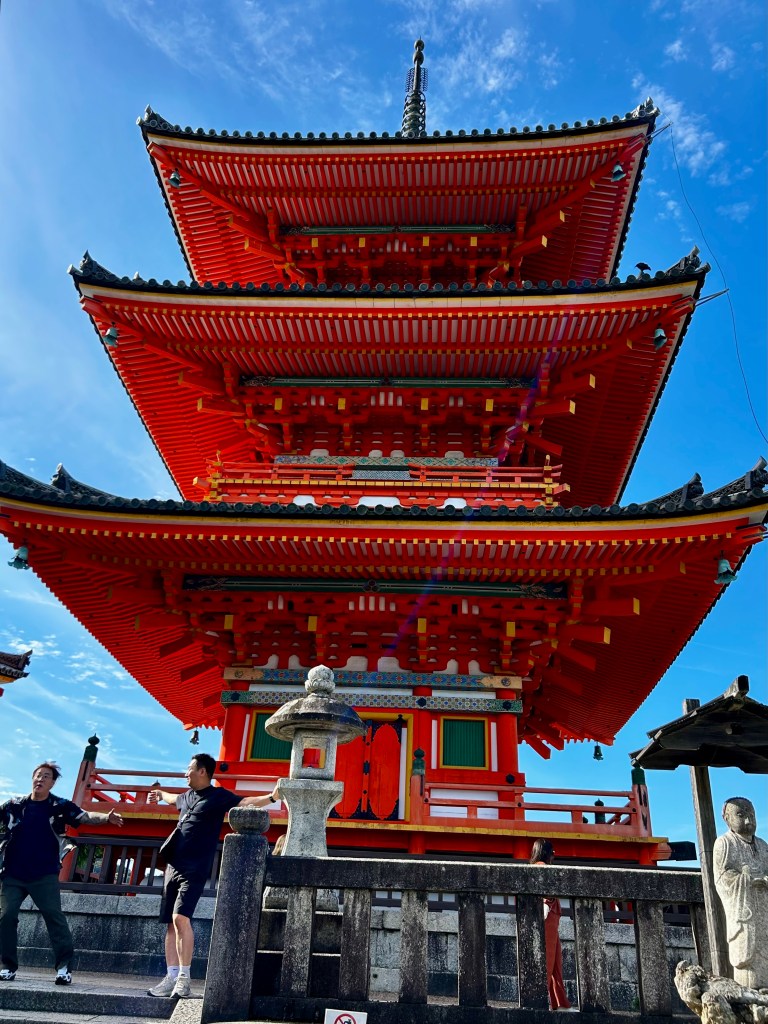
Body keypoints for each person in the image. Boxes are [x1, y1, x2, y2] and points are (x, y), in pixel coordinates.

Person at [146, 753, 278, 1000]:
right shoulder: (185, 797)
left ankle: (184, 979)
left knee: (180, 918)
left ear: (203, 771)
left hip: (195, 867)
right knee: (170, 924)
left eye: (189, 769)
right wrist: (158, 793)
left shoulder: (218, 796)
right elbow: (171, 797)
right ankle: (171, 977)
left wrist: (272, 797)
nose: (186, 773)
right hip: (172, 865)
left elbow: (245, 801)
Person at [0, 761, 124, 986]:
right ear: (32, 778)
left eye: (46, 776)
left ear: (53, 782)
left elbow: (84, 816)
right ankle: (8, 966)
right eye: (38, 775)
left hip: (44, 873)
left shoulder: (59, 805)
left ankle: (64, 967)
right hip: (13, 873)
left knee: (54, 918)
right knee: (5, 917)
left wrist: (106, 817)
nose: (40, 779)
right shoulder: (14, 805)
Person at [713, 796, 768, 990]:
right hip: (745, 912)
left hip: (764, 907)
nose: (748, 820)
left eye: (751, 815)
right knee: (749, 965)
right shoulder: (724, 844)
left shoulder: (763, 846)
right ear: (727, 819)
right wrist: (746, 880)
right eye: (741, 815)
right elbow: (722, 878)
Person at [529, 838, 572, 1011]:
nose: (554, 855)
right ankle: (543, 1002)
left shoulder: (535, 867)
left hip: (549, 917)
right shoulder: (542, 867)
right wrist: (547, 902)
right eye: (552, 851)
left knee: (555, 962)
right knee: (549, 963)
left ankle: (559, 1002)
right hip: (548, 916)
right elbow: (547, 892)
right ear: (547, 852)